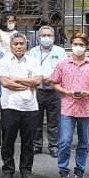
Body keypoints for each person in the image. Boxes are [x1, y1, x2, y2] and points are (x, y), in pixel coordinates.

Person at [48, 33, 89, 178]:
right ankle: (63, 170)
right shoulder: (63, 64)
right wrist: (66, 92)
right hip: (68, 107)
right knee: (65, 141)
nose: (78, 47)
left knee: (84, 142)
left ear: (86, 46)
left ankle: (80, 170)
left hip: (86, 107)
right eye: (75, 44)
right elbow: (54, 82)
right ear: (71, 45)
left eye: (81, 44)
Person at [0, 32, 42, 178]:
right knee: (8, 140)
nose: (18, 46)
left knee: (28, 141)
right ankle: (8, 170)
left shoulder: (33, 61)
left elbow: (37, 81)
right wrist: (26, 84)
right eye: (15, 44)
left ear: (26, 45)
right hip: (10, 105)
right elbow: (6, 83)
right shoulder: (4, 61)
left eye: (21, 44)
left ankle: (26, 170)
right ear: (11, 46)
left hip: (30, 107)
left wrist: (16, 78)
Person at [27, 25, 66, 157]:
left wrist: (53, 78)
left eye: (49, 36)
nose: (46, 38)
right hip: (38, 90)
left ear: (54, 37)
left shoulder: (60, 52)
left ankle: (53, 145)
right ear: (38, 38)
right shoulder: (32, 52)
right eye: (43, 36)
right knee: (36, 120)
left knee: (54, 121)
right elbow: (29, 69)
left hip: (54, 90)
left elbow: (64, 70)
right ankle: (37, 145)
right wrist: (40, 78)